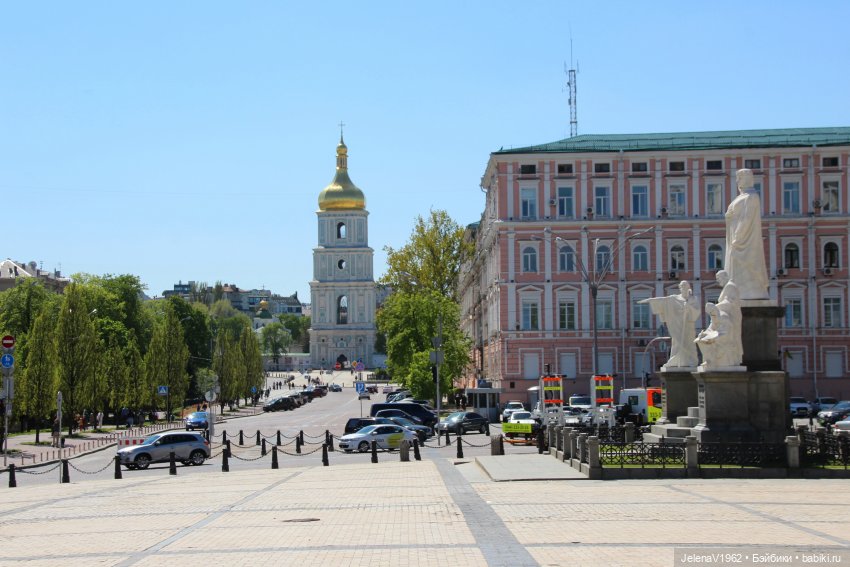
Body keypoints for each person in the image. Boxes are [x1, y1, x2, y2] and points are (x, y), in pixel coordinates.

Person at [724, 168, 769, 300]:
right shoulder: (741, 197)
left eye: (740, 178)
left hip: (745, 240)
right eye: (737, 178)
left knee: (747, 263)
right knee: (737, 267)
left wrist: (738, 236)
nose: (737, 181)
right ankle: (740, 291)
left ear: (747, 179)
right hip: (737, 237)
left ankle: (752, 292)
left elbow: (747, 218)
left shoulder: (752, 197)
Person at [639, 280, 701, 368]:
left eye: (685, 286)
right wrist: (651, 300)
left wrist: (689, 308)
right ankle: (675, 360)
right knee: (676, 342)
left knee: (689, 343)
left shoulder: (693, 299)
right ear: (679, 288)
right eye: (681, 287)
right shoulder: (674, 298)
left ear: (688, 287)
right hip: (677, 325)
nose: (683, 288)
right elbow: (663, 301)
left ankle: (691, 360)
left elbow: (697, 311)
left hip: (688, 326)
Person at [695, 303, 739, 369]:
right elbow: (710, 329)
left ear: (715, 310)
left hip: (725, 339)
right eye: (711, 315)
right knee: (700, 341)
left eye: (713, 314)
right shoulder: (713, 317)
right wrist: (703, 334)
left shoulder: (724, 317)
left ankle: (711, 361)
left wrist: (715, 336)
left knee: (713, 343)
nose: (712, 317)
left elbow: (727, 332)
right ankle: (708, 360)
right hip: (716, 336)